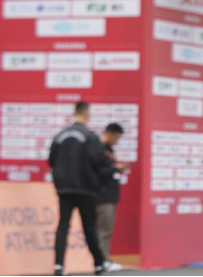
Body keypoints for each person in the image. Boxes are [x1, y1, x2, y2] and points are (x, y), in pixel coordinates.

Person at [48, 102, 110, 276]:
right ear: (87, 115)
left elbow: (52, 160)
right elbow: (101, 162)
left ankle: (58, 266)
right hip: (86, 189)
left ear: (74, 113)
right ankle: (99, 264)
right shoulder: (90, 136)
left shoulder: (59, 135)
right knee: (89, 228)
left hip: (65, 189)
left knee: (63, 226)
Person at [97, 123, 130, 273]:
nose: (117, 141)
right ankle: (101, 261)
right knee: (103, 230)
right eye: (116, 137)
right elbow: (97, 171)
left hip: (109, 194)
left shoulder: (108, 149)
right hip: (102, 195)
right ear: (109, 134)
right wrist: (116, 168)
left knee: (107, 229)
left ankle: (103, 259)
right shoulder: (98, 148)